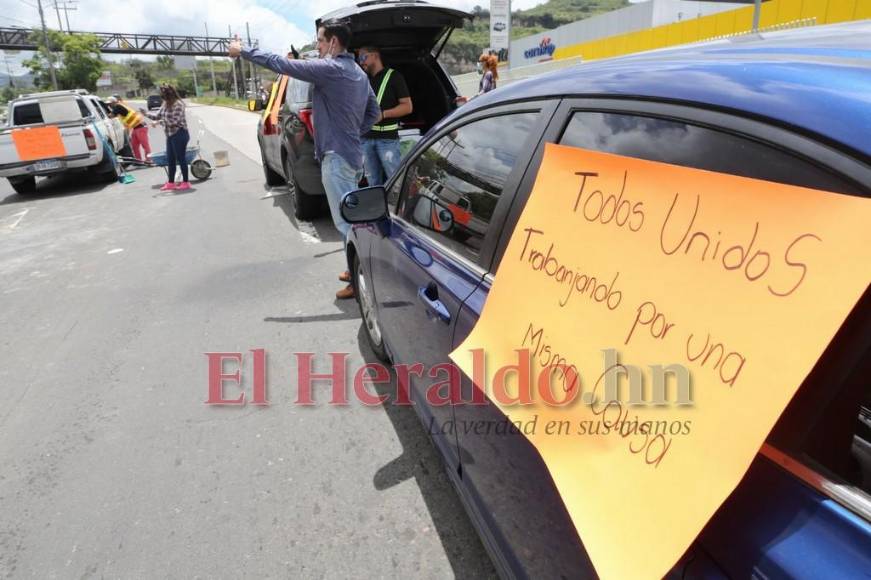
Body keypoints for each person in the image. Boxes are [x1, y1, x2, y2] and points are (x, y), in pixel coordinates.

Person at [230, 20, 381, 300]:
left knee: (346, 223)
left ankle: (361, 281)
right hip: (351, 155)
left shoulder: (330, 69)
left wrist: (244, 50)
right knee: (352, 215)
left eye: (321, 41)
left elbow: (282, 65)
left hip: (336, 159)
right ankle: (353, 267)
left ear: (334, 43)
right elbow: (375, 114)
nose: (318, 47)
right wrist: (350, 133)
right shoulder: (358, 74)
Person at [357, 46, 412, 187]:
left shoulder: (394, 77)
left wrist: (384, 114)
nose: (361, 62)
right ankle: (379, 208)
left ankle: (398, 208)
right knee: (373, 184)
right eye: (359, 59)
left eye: (363, 57)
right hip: (365, 139)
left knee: (396, 183)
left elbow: (407, 107)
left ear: (374, 55)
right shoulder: (362, 80)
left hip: (387, 140)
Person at [141, 85, 190, 191]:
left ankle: (186, 182)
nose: (163, 98)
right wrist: (145, 113)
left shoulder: (178, 104)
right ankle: (171, 183)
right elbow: (157, 116)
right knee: (170, 159)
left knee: (181, 158)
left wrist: (159, 122)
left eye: (164, 95)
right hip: (170, 135)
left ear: (169, 95)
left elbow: (175, 122)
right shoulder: (165, 104)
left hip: (179, 134)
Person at [107, 96, 151, 162]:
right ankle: (138, 160)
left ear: (113, 102)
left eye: (109, 104)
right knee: (134, 146)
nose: (109, 106)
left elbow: (110, 116)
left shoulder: (118, 106)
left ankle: (149, 160)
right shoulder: (119, 107)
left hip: (141, 126)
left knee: (145, 145)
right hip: (135, 128)